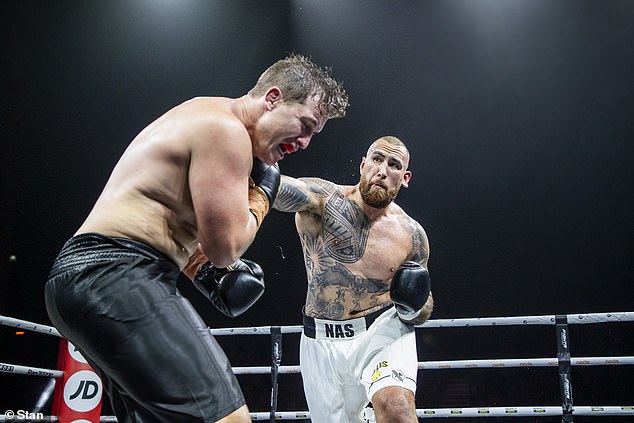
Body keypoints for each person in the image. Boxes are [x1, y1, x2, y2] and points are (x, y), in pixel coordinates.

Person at [44, 53, 348, 423]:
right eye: (304, 125)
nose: (304, 143)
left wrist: (199, 268)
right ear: (272, 98)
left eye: (312, 135)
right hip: (115, 275)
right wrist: (261, 196)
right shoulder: (228, 131)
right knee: (228, 418)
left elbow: (165, 219)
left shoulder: (204, 115)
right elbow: (226, 249)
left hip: (82, 279)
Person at [273, 135, 434, 423]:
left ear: (405, 177)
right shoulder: (323, 201)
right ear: (363, 165)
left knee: (396, 409)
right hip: (319, 340)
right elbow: (278, 188)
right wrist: (246, 175)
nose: (383, 170)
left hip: (380, 331)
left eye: (394, 164)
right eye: (376, 160)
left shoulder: (411, 235)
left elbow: (424, 305)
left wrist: (413, 307)